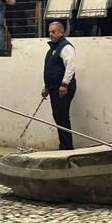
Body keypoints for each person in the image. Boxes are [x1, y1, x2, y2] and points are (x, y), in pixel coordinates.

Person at [41, 21, 76, 150]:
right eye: (49, 31)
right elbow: (50, 71)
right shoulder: (52, 50)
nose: (50, 34)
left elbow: (70, 67)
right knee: (58, 116)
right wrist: (47, 87)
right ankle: (64, 145)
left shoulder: (66, 47)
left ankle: (67, 146)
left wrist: (64, 84)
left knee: (61, 116)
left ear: (61, 32)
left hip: (63, 88)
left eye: (53, 31)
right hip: (54, 88)